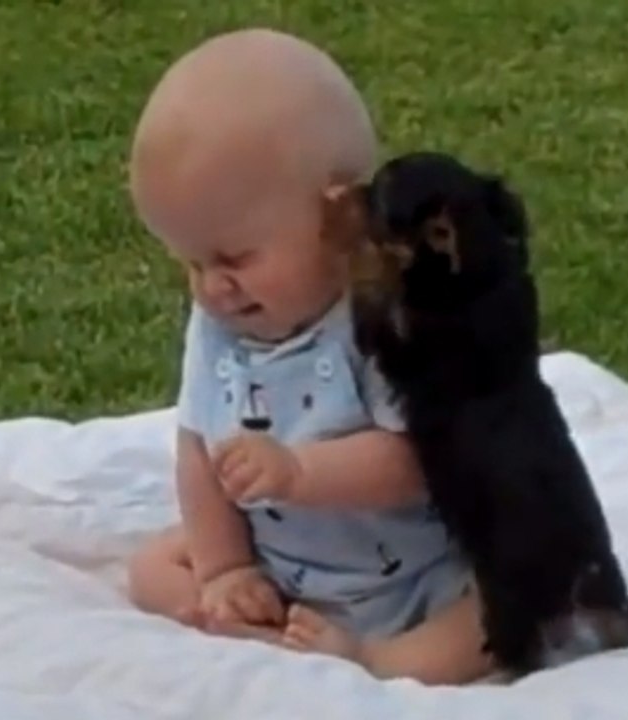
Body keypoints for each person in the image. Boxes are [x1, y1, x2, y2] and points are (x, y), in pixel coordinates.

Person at [122, 27, 497, 686]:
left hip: (418, 573)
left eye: (235, 259)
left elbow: (414, 461)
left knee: (514, 609)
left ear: (342, 217)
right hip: (281, 563)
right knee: (152, 569)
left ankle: (377, 659)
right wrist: (226, 569)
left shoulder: (387, 316)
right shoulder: (220, 323)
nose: (211, 287)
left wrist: (298, 471)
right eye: (190, 262)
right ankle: (238, 618)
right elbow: (197, 452)